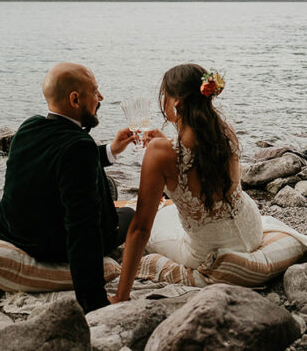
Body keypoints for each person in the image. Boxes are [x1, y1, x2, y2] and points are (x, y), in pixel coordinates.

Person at [0, 62, 139, 313]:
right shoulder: (79, 145)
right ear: (75, 99)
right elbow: (82, 228)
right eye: (95, 91)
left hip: (17, 229)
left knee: (104, 183)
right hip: (52, 245)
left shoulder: (29, 127)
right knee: (129, 215)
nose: (101, 98)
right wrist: (94, 302)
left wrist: (111, 151)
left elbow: (63, 161)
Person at [110, 63, 263, 303]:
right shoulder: (226, 131)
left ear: (174, 102)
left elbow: (140, 229)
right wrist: (167, 142)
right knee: (169, 210)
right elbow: (198, 157)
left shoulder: (160, 152)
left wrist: (121, 296)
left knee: (154, 223)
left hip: (209, 252)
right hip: (252, 231)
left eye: (164, 96)